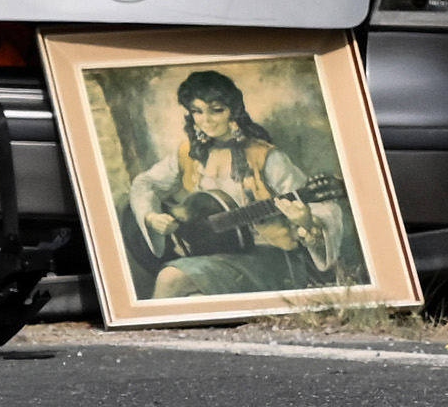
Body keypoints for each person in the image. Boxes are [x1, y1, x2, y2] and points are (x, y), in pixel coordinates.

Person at [127, 67, 353, 300]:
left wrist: (306, 221)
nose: (206, 120)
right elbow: (145, 183)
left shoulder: (266, 156)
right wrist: (151, 216)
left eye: (216, 110)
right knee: (195, 300)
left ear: (233, 111)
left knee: (170, 278)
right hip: (216, 255)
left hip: (270, 258)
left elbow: (323, 208)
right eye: (197, 111)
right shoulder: (189, 153)